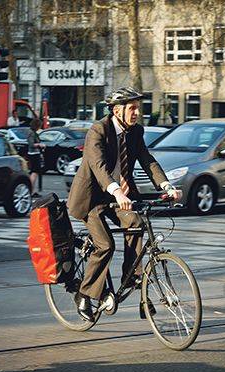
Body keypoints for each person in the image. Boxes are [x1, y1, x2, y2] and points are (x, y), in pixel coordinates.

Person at [67, 87, 182, 322]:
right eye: (132, 108)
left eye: (138, 108)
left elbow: (148, 161)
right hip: (92, 199)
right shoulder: (98, 130)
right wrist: (116, 190)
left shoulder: (135, 132)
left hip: (121, 198)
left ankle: (130, 276)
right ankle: (84, 294)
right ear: (117, 110)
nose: (137, 113)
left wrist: (166, 186)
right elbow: (98, 167)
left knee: (137, 223)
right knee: (105, 245)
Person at [26, 118, 45, 197]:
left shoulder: (33, 132)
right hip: (33, 154)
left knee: (34, 172)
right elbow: (31, 144)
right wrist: (39, 145)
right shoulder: (31, 133)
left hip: (34, 153)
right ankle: (30, 191)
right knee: (34, 172)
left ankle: (31, 190)